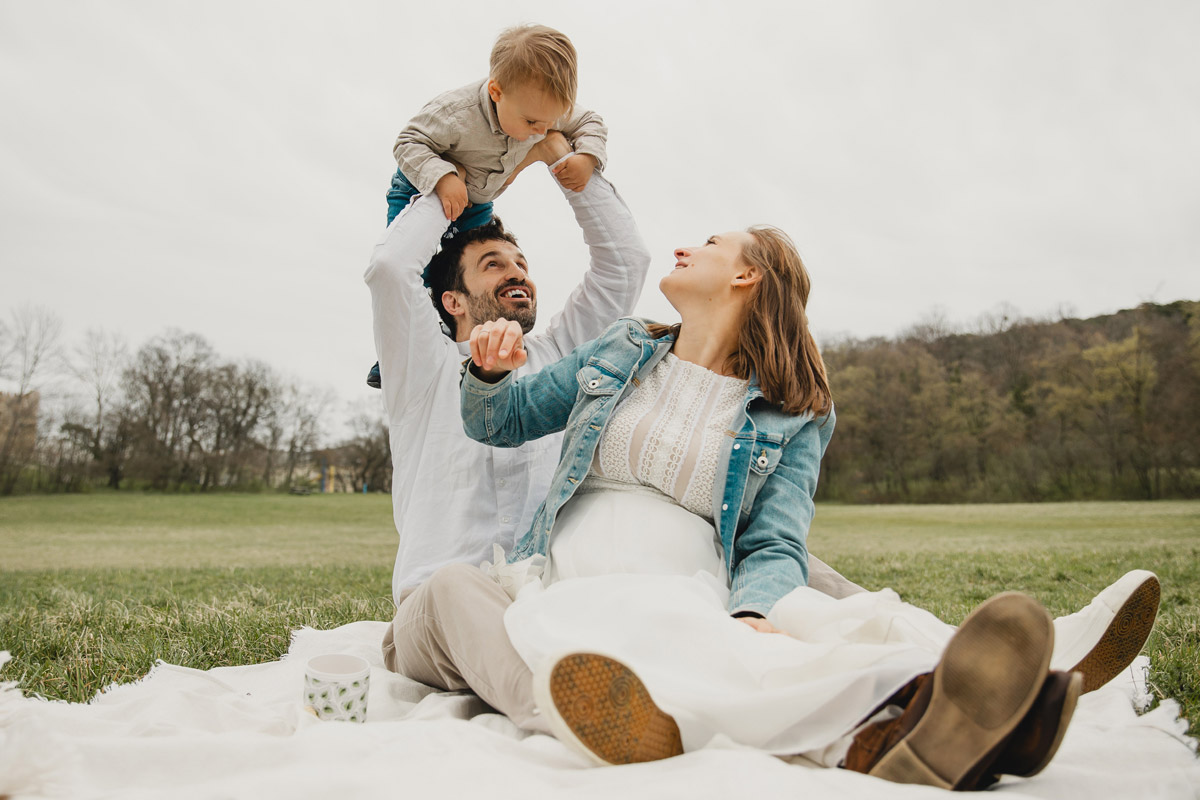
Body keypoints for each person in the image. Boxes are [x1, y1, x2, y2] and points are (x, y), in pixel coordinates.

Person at [381, 225, 1162, 790]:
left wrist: (752, 609)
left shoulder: (796, 412)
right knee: (466, 595)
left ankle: (974, 699)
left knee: (768, 631)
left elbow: (777, 540)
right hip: (571, 566)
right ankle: (927, 715)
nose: (685, 248)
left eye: (711, 243)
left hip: (683, 574)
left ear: (747, 277)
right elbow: (501, 420)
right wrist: (485, 376)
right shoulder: (620, 348)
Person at [367, 23, 606, 389]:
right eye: (530, 122)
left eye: (548, 123)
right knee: (419, 270)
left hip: (477, 200)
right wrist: (444, 177)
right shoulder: (455, 112)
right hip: (419, 188)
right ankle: (399, 350)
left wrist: (587, 156)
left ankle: (454, 337)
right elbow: (409, 142)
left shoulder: (542, 108)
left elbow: (590, 121)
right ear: (496, 91)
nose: (539, 130)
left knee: (458, 273)